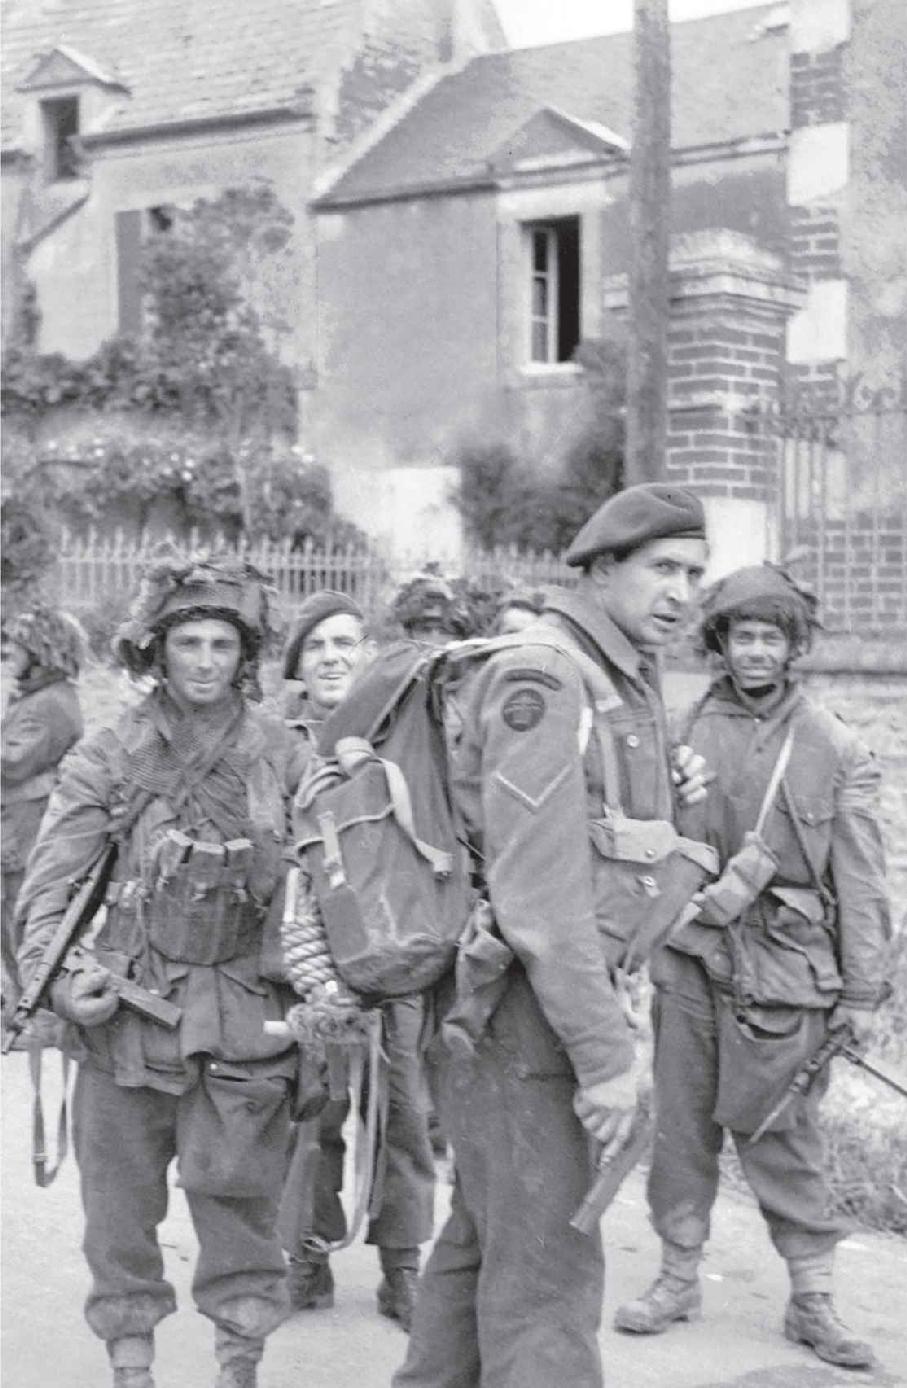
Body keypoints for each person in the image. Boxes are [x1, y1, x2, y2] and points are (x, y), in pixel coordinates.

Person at [393, 482, 712, 1388]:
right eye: (662, 569)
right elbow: (540, 900)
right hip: (525, 1022)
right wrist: (607, 1058)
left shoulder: (618, 674)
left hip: (526, 1016)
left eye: (693, 574)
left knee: (486, 1244)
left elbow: (603, 850)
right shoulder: (548, 674)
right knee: (547, 1286)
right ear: (602, 569)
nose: (682, 593)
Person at [15, 550, 301, 1388]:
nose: (206, 662)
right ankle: (130, 1367)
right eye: (189, 644)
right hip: (127, 1020)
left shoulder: (283, 754)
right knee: (118, 1221)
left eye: (222, 644)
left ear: (245, 655)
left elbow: (332, 890)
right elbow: (52, 884)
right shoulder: (111, 753)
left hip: (244, 1023)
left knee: (242, 1214)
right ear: (157, 650)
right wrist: (63, 982)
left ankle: (237, 1367)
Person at [614, 564, 892, 1370]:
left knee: (783, 1138)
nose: (757, 652)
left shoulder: (832, 745)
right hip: (689, 959)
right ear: (720, 643)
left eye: (772, 637)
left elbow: (863, 882)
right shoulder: (683, 729)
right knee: (679, 1127)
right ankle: (675, 1276)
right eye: (742, 635)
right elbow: (641, 846)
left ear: (793, 646)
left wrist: (863, 992)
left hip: (786, 974)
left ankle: (811, 1299)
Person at [279, 591, 436, 1331]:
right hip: (309, 965)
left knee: (402, 1113)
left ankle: (401, 1267)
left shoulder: (400, 735)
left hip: (392, 954)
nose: (334, 658)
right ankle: (306, 1256)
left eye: (346, 643)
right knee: (311, 1115)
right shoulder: (276, 744)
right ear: (296, 664)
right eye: (317, 646)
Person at [1, 604, 86, 1025]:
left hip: (27, 828)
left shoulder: (50, 703)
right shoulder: (37, 697)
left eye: (15, 644)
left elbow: (14, 762)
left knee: (23, 914)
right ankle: (22, 1005)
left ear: (40, 650)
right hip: (17, 824)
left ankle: (31, 1012)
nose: (7, 652)